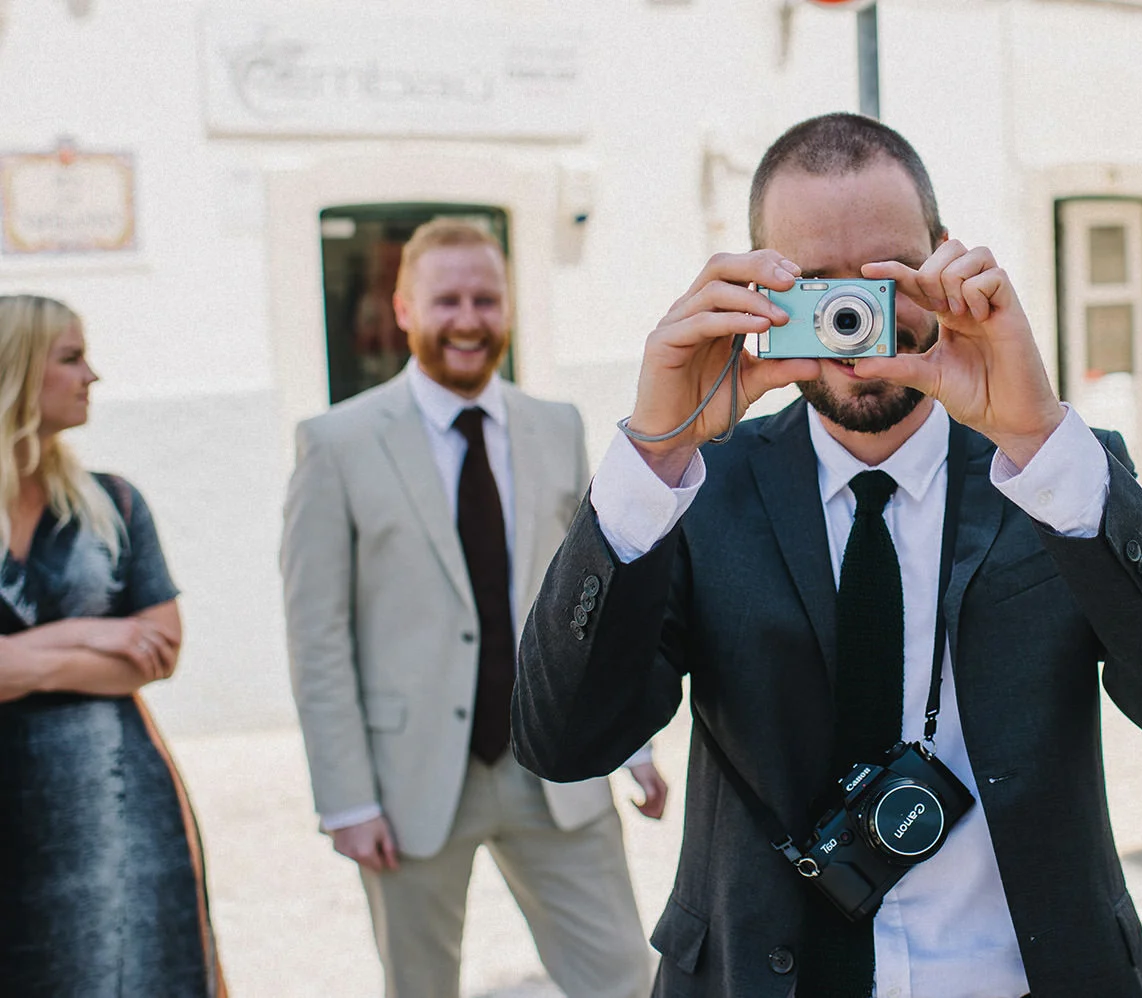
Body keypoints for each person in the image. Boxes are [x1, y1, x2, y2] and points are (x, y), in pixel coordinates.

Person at [512, 113, 1142, 998]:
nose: (853, 319)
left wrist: (1037, 435)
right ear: (756, 289)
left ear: (945, 260)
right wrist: (653, 453)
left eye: (880, 277)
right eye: (812, 285)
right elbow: (563, 741)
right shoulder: (697, 491)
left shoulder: (1053, 471)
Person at [280, 218, 662, 998]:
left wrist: (632, 742)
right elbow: (317, 634)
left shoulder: (556, 426)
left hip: (553, 766)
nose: (467, 319)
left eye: (485, 299)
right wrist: (346, 796)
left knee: (625, 978)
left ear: (508, 309)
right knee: (419, 987)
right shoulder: (335, 442)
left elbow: (596, 594)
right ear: (403, 310)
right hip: (408, 780)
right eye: (446, 299)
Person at [0, 294, 226, 996]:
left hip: (115, 807)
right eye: (70, 358)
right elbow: (125, 647)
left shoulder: (114, 502)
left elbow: (159, 649)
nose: (91, 374)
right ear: (16, 372)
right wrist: (89, 633)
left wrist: (19, 662)